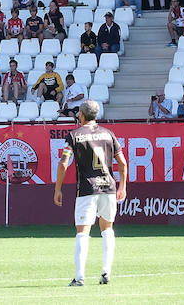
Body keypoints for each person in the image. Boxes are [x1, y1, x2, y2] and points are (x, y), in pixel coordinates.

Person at [53, 100, 126, 287]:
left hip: (87, 189)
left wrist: (58, 188)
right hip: (108, 187)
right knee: (107, 229)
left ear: (81, 115)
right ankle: (106, 273)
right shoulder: (109, 134)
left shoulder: (74, 135)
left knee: (82, 232)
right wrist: (122, 186)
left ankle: (79, 278)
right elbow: (123, 163)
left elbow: (63, 162)